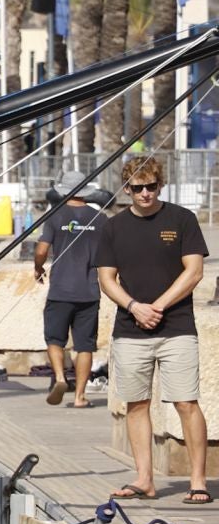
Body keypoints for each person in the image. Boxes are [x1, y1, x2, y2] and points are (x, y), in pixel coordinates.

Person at [96, 158, 209, 503]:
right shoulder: (112, 227)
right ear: (126, 189)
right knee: (136, 403)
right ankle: (144, 478)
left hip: (177, 328)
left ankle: (198, 480)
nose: (145, 194)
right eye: (137, 187)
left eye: (151, 186)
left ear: (161, 185)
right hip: (131, 331)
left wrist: (158, 306)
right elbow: (106, 279)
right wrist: (134, 307)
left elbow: (194, 272)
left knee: (186, 402)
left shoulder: (182, 219)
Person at [34, 171, 101, 409]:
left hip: (61, 289)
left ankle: (61, 378)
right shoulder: (99, 218)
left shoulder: (54, 216)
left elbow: (41, 250)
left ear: (64, 190)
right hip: (90, 291)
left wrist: (38, 267)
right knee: (85, 345)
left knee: (54, 338)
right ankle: (80, 397)